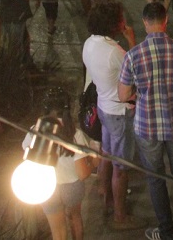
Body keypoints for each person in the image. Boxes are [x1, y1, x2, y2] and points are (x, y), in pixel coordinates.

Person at [118, 2, 173, 240]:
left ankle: (166, 230)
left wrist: (139, 94)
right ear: (165, 21)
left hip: (147, 126)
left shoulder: (133, 55)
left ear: (145, 23)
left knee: (156, 177)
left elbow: (123, 95)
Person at [81, 0, 141, 229]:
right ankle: (120, 216)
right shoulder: (114, 52)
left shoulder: (89, 43)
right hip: (120, 111)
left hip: (103, 106)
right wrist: (132, 40)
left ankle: (103, 191)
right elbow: (135, 71)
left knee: (106, 153)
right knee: (121, 167)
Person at [37, 91, 98, 240]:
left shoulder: (34, 132)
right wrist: (94, 162)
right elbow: (83, 173)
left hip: (47, 188)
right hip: (72, 188)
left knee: (58, 231)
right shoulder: (75, 134)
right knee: (75, 217)